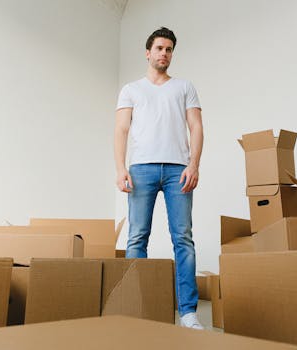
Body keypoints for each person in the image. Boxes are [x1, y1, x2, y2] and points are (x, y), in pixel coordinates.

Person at [114, 27, 204, 329]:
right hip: (141, 169)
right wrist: (120, 167)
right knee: (137, 237)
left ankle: (188, 312)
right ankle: (136, 307)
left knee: (183, 238)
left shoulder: (184, 87)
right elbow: (121, 130)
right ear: (148, 52)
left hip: (179, 170)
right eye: (159, 48)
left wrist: (194, 164)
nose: (164, 53)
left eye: (169, 49)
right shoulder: (131, 89)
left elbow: (196, 127)